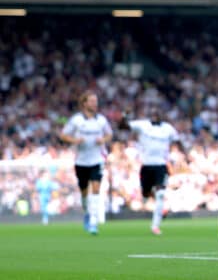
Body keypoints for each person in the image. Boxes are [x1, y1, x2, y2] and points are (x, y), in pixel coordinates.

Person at [118, 107, 182, 235]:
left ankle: (155, 226)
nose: (155, 115)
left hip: (161, 166)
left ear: (161, 115)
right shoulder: (143, 125)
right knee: (146, 194)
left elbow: (177, 141)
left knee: (160, 194)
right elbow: (123, 126)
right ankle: (157, 205)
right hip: (146, 166)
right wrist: (125, 114)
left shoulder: (168, 128)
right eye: (153, 113)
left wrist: (181, 156)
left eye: (157, 113)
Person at [60, 91, 112, 235]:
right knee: (84, 192)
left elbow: (109, 134)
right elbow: (63, 135)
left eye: (96, 101)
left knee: (96, 188)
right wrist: (75, 141)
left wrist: (103, 140)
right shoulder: (76, 120)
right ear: (84, 103)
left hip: (97, 159)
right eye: (92, 101)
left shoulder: (101, 120)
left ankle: (94, 222)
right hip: (81, 160)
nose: (95, 104)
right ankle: (88, 213)